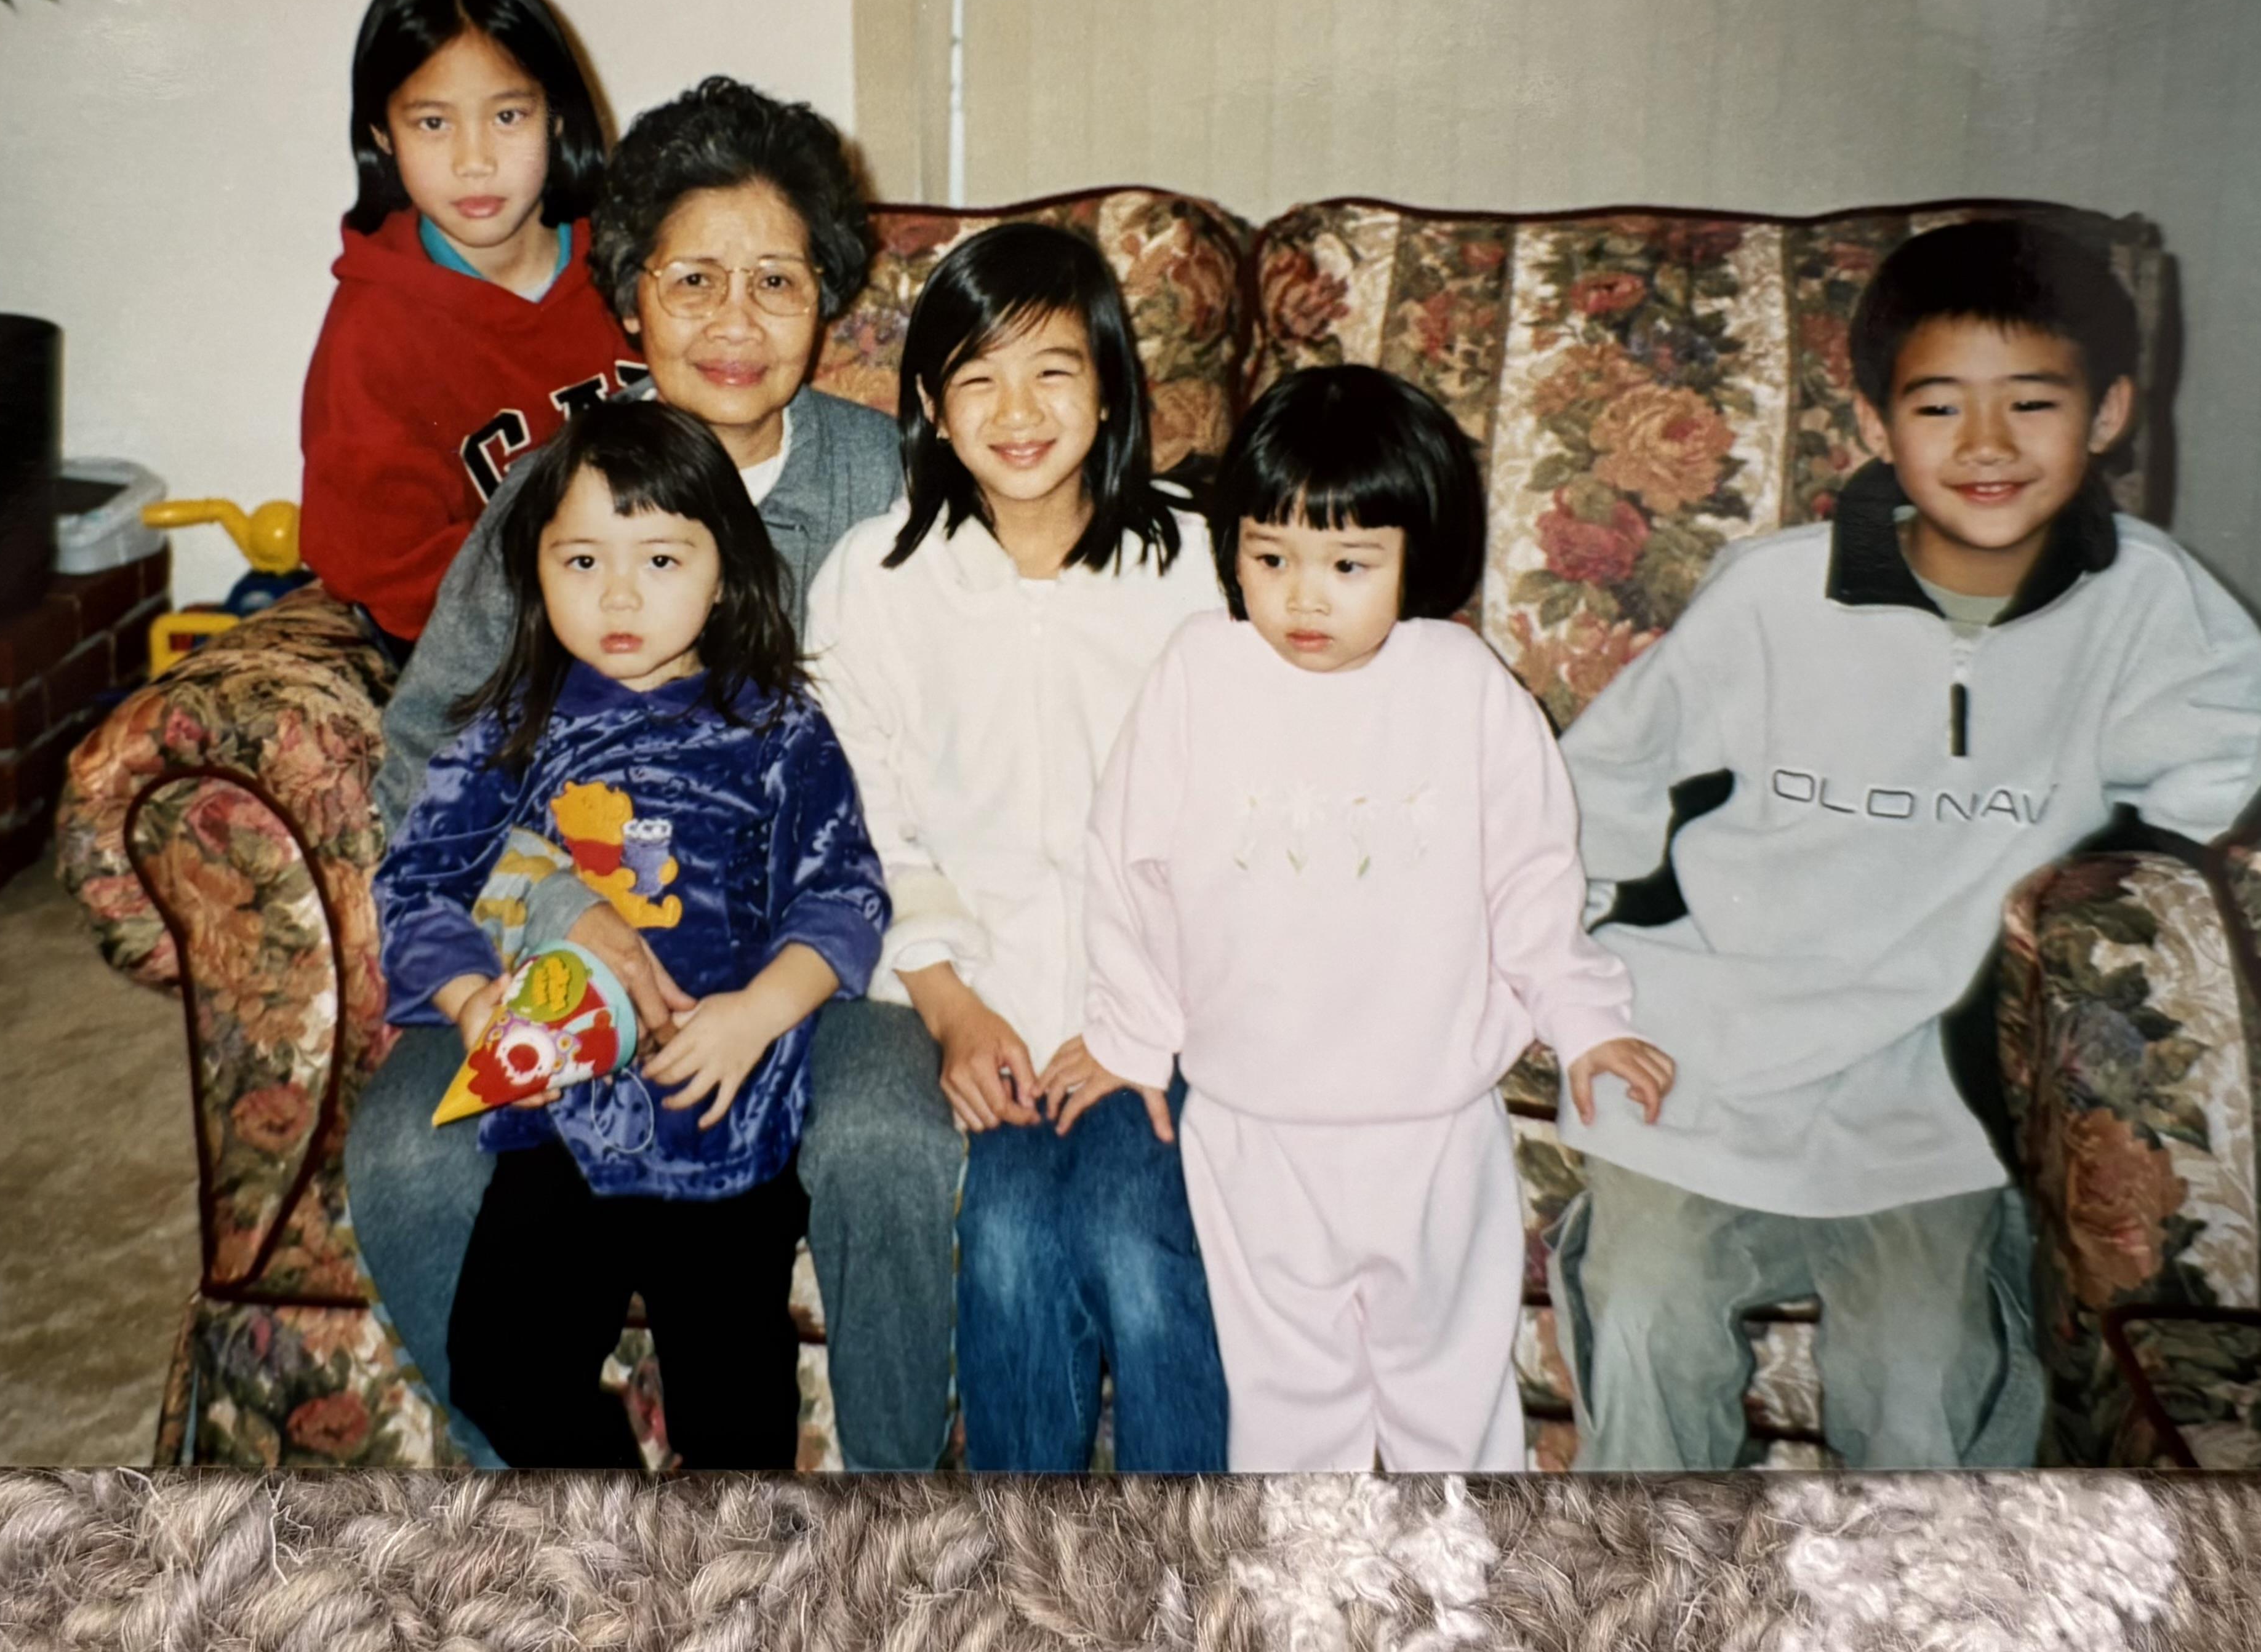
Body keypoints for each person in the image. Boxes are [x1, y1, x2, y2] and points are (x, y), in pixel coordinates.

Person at [1551, 217, 2261, 1472]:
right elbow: (1597, 789)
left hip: (1933, 1094)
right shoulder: (1767, 595)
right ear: (1872, 426)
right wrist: (1549, 973)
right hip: (1708, 1054)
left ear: (2109, 411)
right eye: (1937, 407)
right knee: (1644, 1318)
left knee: (1925, 1382)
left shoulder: (2147, 602)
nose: (1983, 447)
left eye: (2030, 403)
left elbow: (2246, 809)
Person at [349, 76, 902, 1466]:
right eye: (692, 278)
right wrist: (547, 910)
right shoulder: (554, 492)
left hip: (821, 959)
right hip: (557, 976)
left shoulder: (889, 481)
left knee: (875, 1160)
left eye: (773, 280)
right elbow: (423, 756)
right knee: (412, 1163)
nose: (731, 319)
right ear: (633, 297)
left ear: (827, 299)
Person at [1081, 365, 1675, 1471]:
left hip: (1429, 1120)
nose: (1303, 598)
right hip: (1252, 1121)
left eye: (1348, 565)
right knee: (1286, 1405)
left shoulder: (1462, 685)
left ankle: (1462, 1599)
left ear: (1414, 557)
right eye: (1269, 558)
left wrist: (1585, 1017)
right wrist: (1127, 1036)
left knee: (1448, 1398)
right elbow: (1127, 869)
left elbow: (1535, 877)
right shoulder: (1196, 673)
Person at [803, 223, 1230, 1472]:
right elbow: (861, 819)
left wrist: (1146, 1017)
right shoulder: (876, 581)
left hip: (1156, 1005)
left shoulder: (1195, 568)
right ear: (931, 409)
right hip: (980, 996)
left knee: (1136, 1249)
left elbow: (1238, 816)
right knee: (1003, 1248)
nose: (1018, 410)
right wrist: (943, 1002)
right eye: (977, 379)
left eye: (1052, 369)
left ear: (1109, 388)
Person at [298, 0, 638, 652]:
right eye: (433, 124)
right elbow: (381, 566)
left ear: (556, 119)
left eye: (507, 115)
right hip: (488, 647)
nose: (473, 159)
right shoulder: (375, 330)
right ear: (381, 135)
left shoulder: (637, 265)